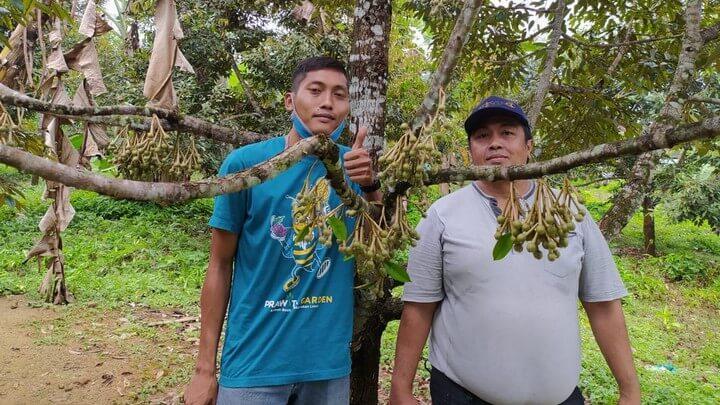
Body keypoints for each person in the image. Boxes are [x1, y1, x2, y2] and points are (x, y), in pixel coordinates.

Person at [389, 96, 641, 405]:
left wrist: (629, 390)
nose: (494, 143)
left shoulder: (569, 213)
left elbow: (602, 304)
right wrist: (400, 389)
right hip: (462, 394)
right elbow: (418, 307)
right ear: (471, 151)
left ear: (529, 145)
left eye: (507, 133)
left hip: (561, 398)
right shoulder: (441, 215)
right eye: (483, 136)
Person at [184, 56, 381, 405]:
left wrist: (370, 185)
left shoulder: (354, 167)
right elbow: (219, 264)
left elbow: (377, 244)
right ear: (290, 101)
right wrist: (204, 369)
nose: (327, 102)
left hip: (327, 370)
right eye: (315, 91)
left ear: (348, 107)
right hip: (253, 366)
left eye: (339, 94)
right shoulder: (247, 164)